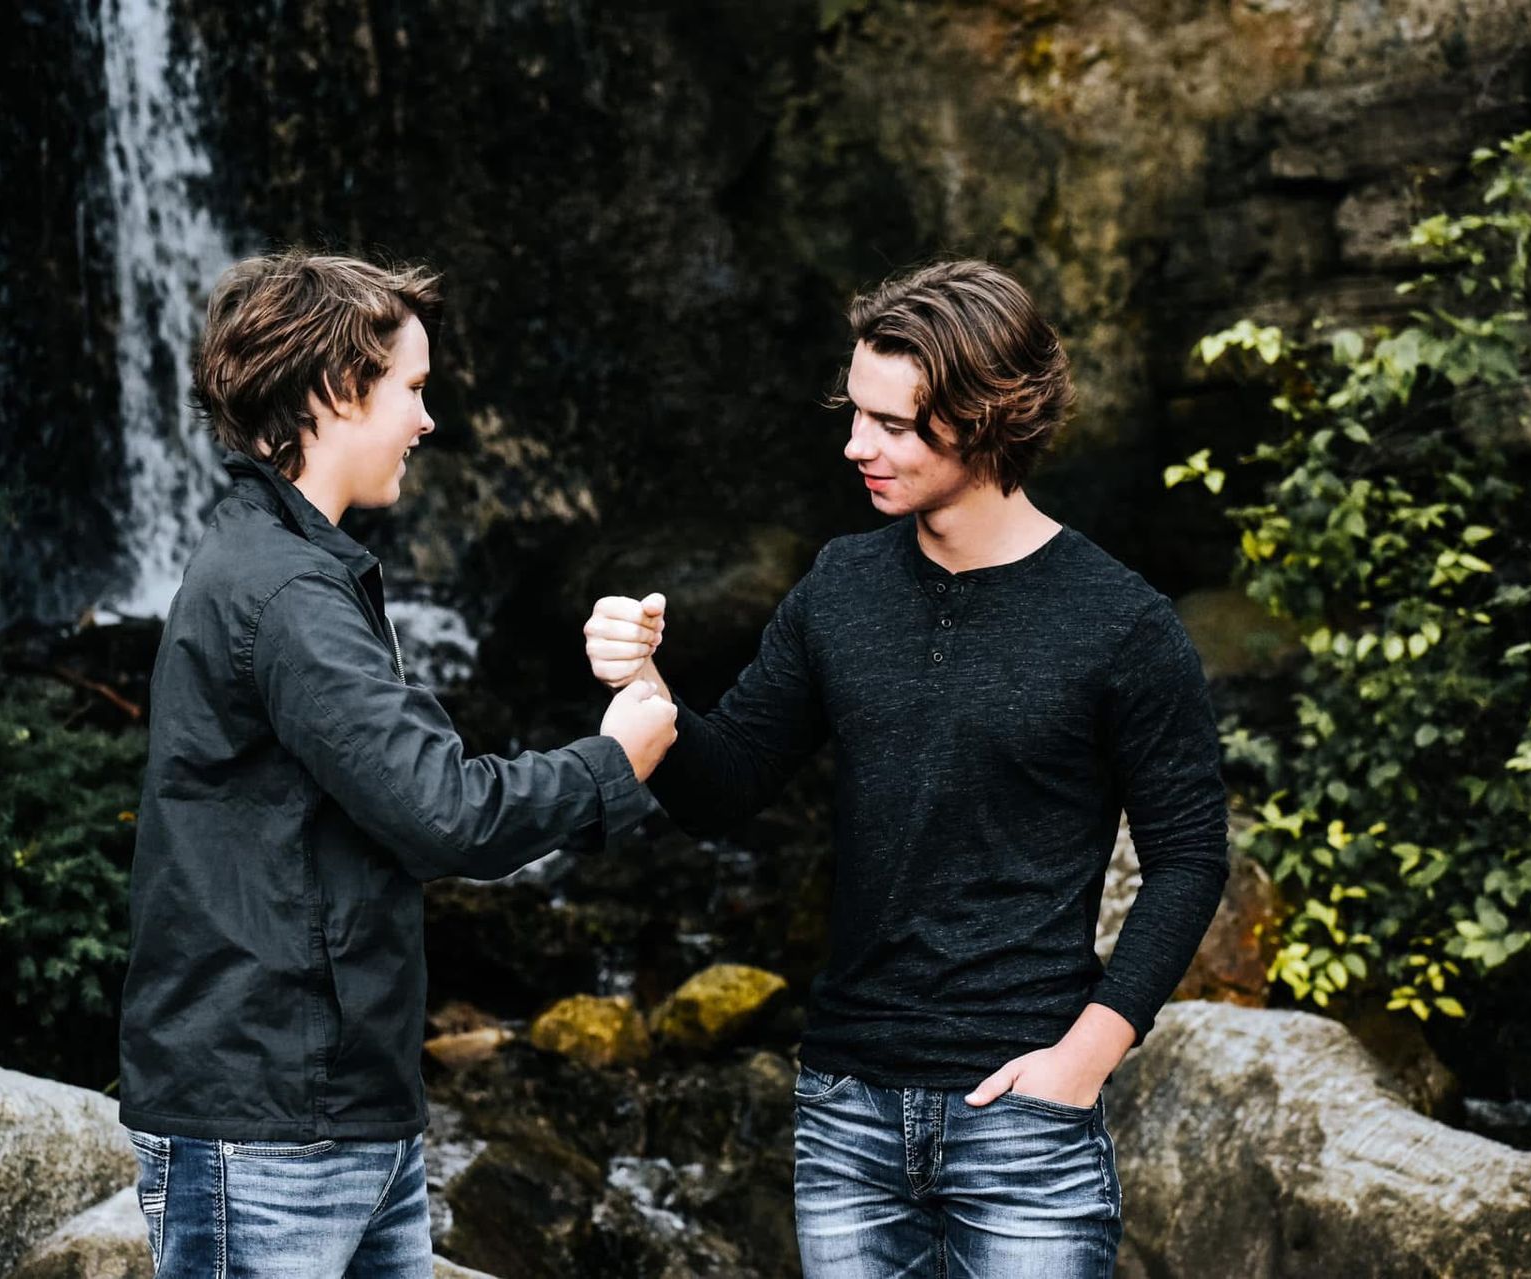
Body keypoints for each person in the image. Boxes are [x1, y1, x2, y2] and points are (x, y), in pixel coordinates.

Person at [583, 259, 1229, 1278]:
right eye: (855, 413)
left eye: (891, 423)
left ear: (987, 416)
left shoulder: (1122, 624)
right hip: (847, 1115)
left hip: (1023, 1120)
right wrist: (645, 686)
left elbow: (1189, 859)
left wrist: (1086, 1056)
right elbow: (728, 782)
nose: (855, 444)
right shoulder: (841, 586)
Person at [118, 248, 676, 1278]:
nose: (427, 420)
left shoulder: (290, 566)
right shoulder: (286, 593)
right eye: (412, 389)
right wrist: (613, 760)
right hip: (269, 1130)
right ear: (337, 390)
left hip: (340, 1114)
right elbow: (442, 810)